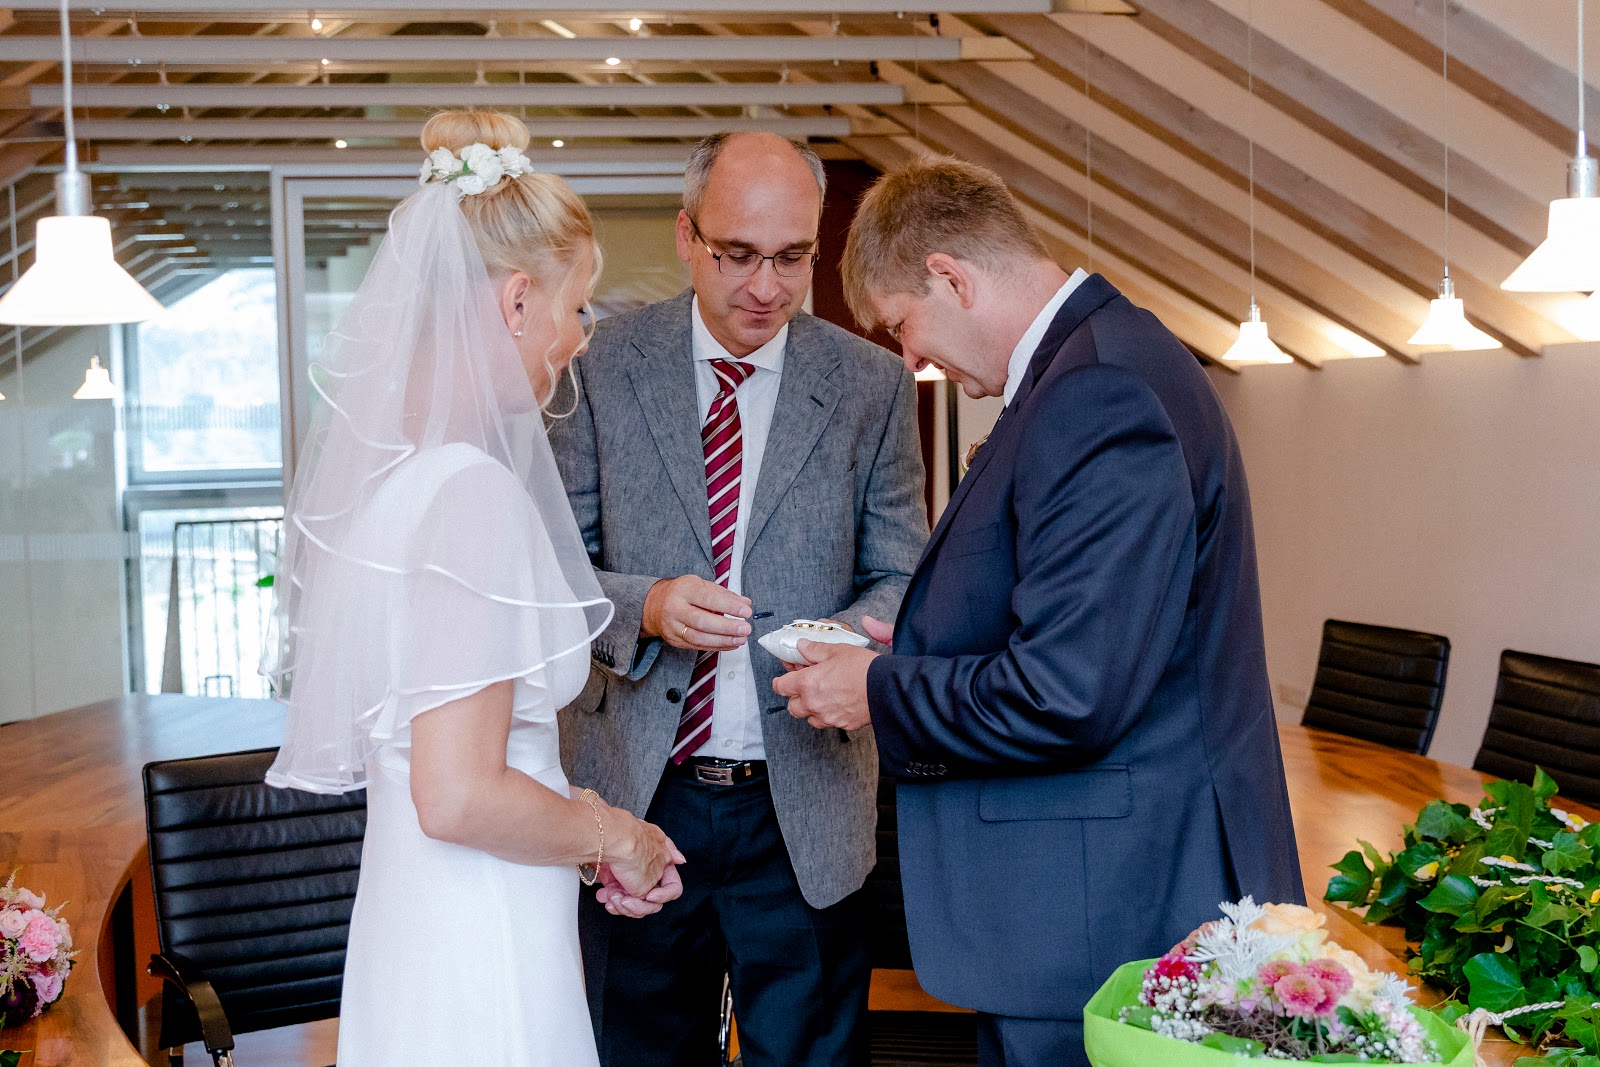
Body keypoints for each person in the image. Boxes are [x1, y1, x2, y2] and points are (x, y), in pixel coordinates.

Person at [773, 156, 1304, 1067]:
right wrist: (925, 643)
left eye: (903, 324)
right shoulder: (1091, 369)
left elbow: (1071, 691)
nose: (909, 358)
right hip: (1095, 904)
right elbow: (1084, 623)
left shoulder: (1099, 395)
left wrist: (881, 691)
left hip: (1106, 914)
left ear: (951, 276)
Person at [263, 110, 683, 1067]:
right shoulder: (473, 497)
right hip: (481, 943)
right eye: (581, 305)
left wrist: (575, 831)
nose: (579, 339)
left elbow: (451, 759)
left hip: (414, 926)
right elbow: (456, 793)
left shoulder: (393, 487)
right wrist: (618, 833)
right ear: (518, 299)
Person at [548, 131, 928, 1066]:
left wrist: (825, 640)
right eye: (739, 255)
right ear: (687, 236)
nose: (767, 285)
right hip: (641, 801)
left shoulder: (872, 384)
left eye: (793, 256)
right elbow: (553, 576)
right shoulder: (597, 369)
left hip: (807, 807)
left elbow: (903, 574)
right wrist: (646, 606)